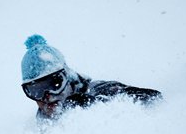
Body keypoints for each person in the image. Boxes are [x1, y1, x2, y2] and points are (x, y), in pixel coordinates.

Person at [21, 35, 162, 120]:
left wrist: (99, 107)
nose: (47, 96)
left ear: (68, 78)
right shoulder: (43, 118)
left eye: (55, 84)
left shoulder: (103, 90)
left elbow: (155, 99)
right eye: (36, 90)